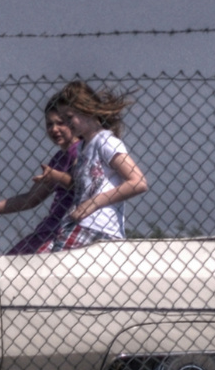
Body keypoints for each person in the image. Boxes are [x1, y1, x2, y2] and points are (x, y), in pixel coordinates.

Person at [36, 80, 147, 252]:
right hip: (78, 225)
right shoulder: (82, 148)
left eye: (70, 117)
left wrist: (93, 203)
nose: (68, 123)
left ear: (87, 111)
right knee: (40, 260)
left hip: (98, 227)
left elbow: (138, 182)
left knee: (46, 264)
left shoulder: (105, 142)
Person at [0, 101, 81, 252]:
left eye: (60, 123)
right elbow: (30, 199)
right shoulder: (59, 158)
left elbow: (79, 185)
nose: (54, 129)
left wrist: (56, 176)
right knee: (13, 261)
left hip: (69, 227)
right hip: (50, 227)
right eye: (49, 124)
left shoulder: (80, 151)